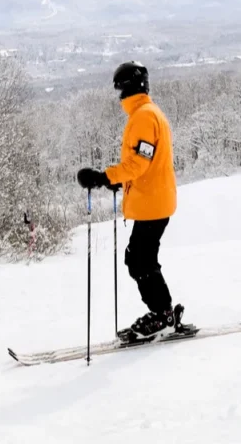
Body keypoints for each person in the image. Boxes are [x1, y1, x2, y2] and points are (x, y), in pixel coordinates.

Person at [76, 61, 184, 341]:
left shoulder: (144, 117)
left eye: (119, 90)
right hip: (154, 200)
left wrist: (105, 177)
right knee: (138, 259)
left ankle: (164, 315)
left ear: (126, 88)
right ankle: (163, 312)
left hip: (153, 204)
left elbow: (139, 163)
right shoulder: (149, 113)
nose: (118, 96)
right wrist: (118, 180)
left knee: (140, 261)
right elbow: (143, 163)